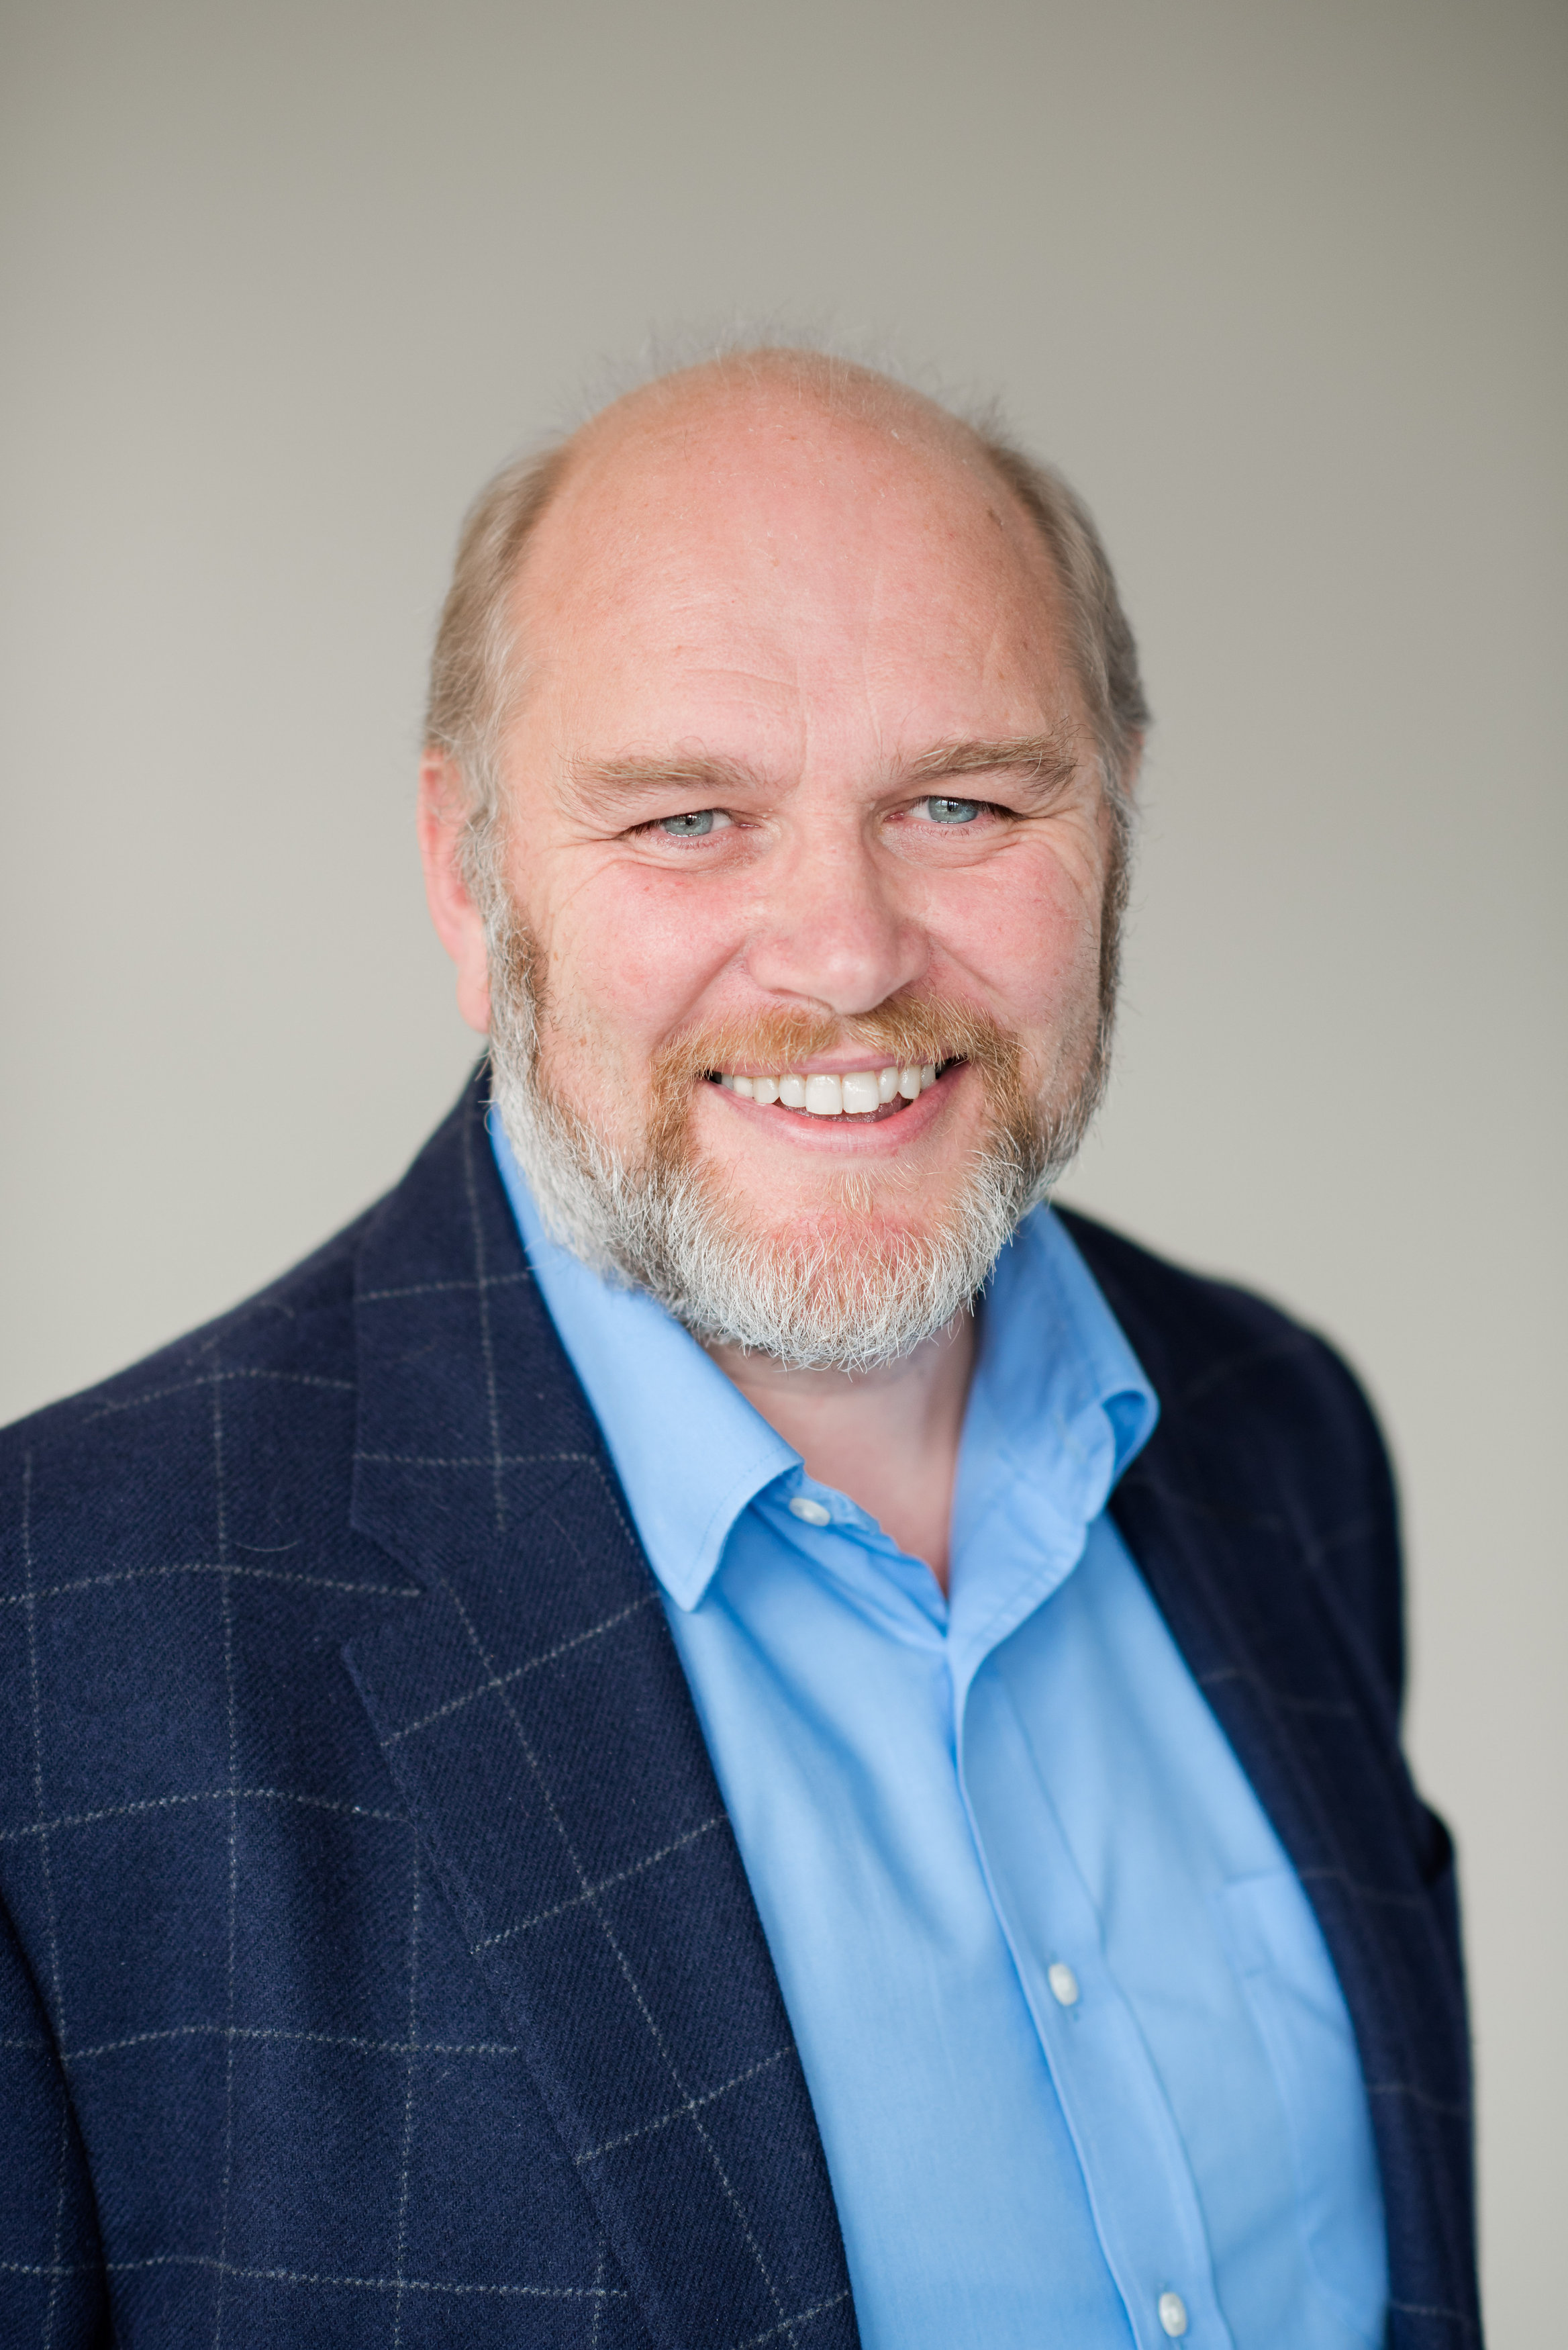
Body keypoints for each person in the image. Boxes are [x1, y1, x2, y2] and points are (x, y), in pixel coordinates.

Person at [0, 348, 1478, 2349]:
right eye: (690, 817)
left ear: (1118, 811)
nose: (846, 955)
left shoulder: (1281, 1437)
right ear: (464, 872)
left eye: (961, 801)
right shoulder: (57, 1639)